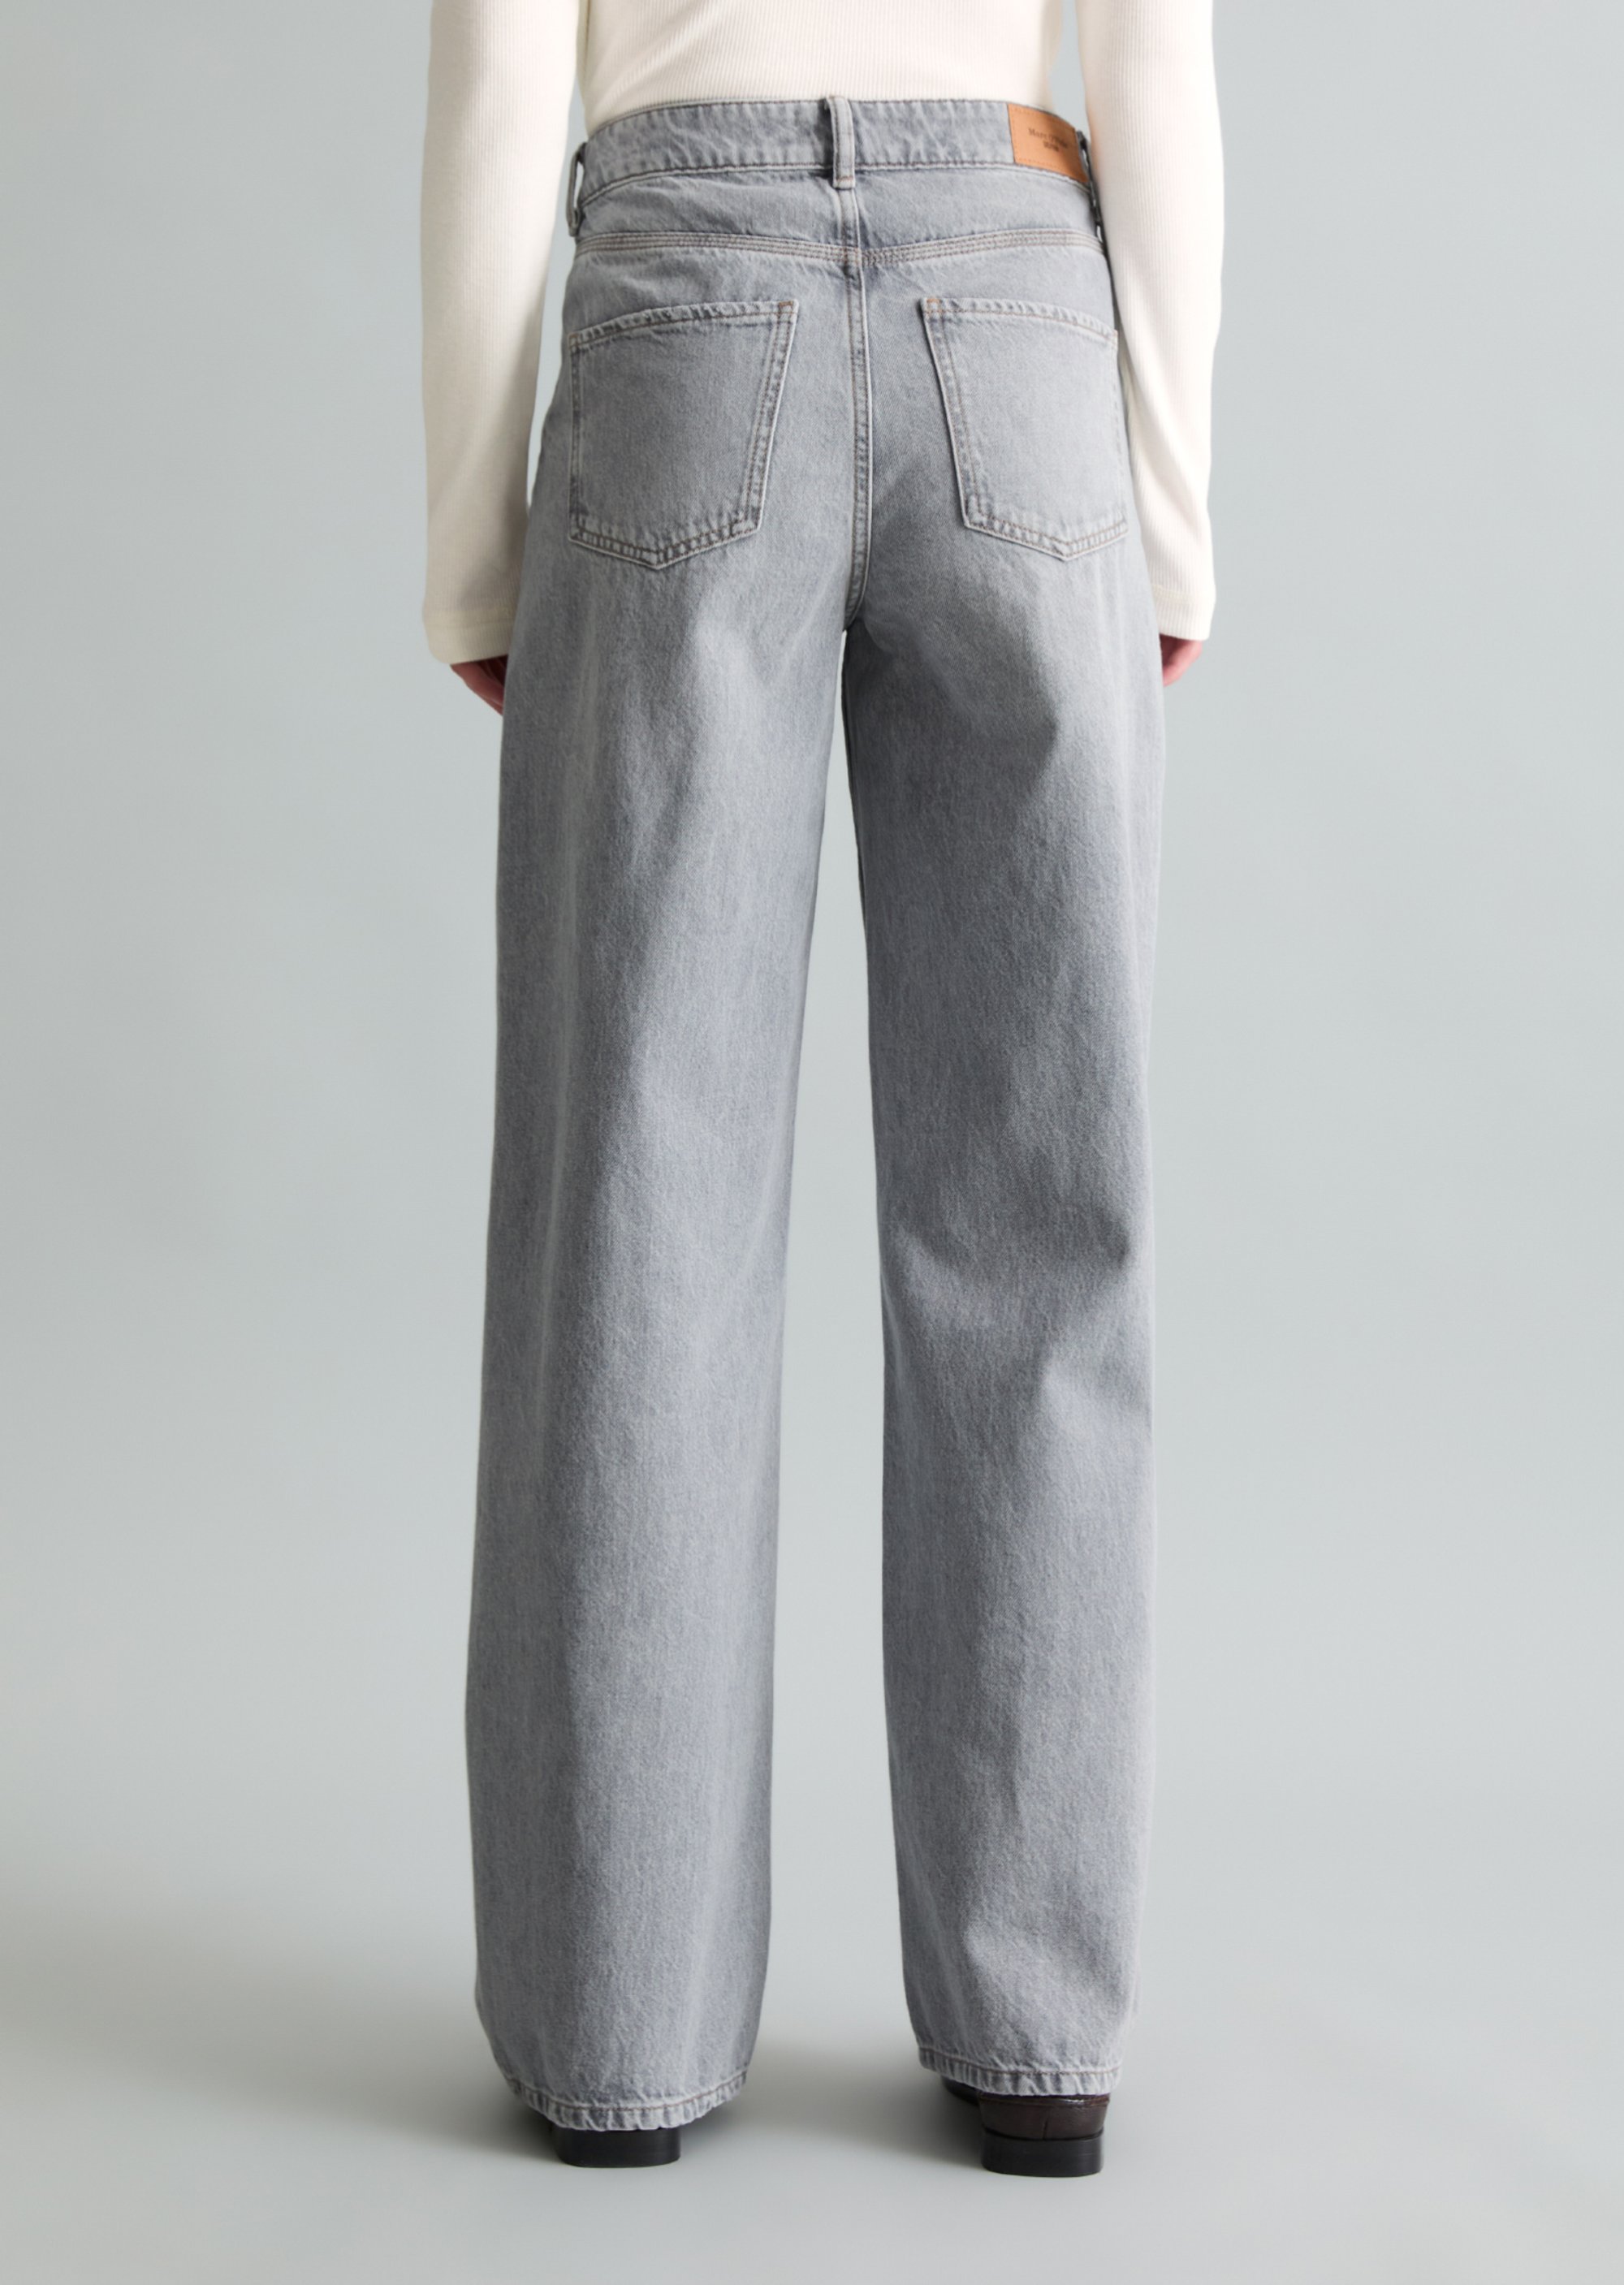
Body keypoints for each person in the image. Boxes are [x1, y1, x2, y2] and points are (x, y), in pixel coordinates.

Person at [421, 0, 1221, 2176]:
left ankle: (618, 2036)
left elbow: (500, 73)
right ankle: (1040, 2040)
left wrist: (474, 543)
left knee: (640, 1217)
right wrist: (1168, 517)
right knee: (1042, 1214)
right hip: (1019, 315)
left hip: (686, 314)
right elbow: (1154, 55)